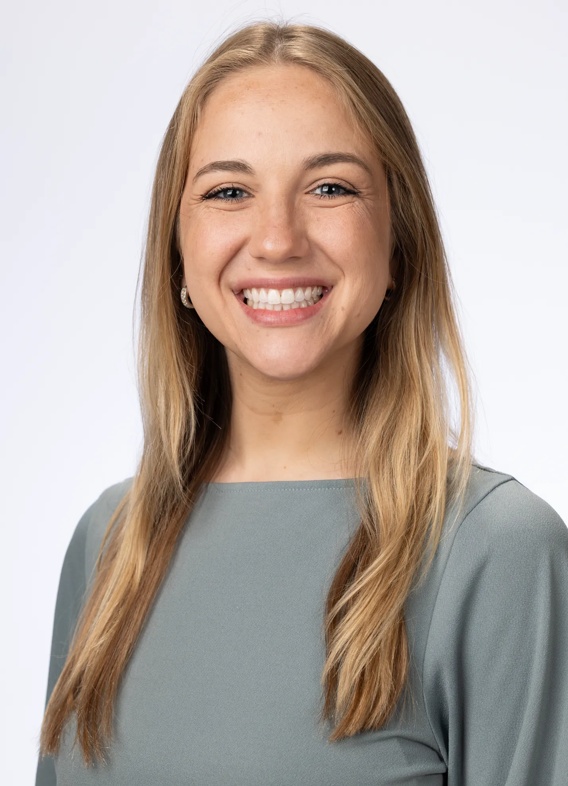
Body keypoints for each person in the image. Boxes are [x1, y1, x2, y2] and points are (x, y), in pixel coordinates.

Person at [36, 21, 568, 786]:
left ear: (398, 246)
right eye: (228, 191)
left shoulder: (495, 552)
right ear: (177, 255)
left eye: (330, 188)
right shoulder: (108, 547)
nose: (277, 239)